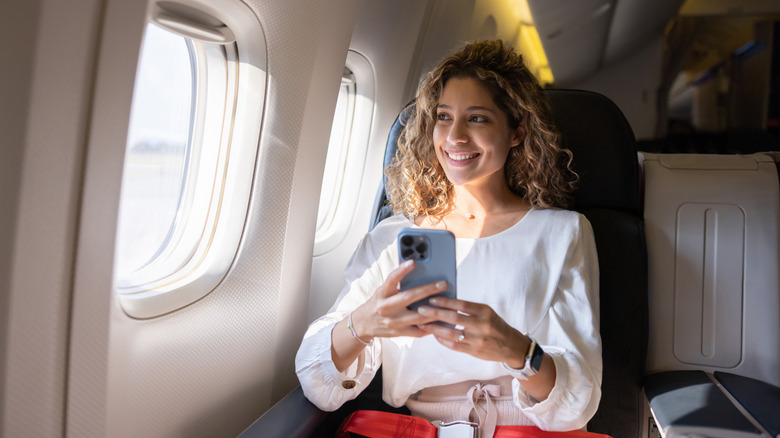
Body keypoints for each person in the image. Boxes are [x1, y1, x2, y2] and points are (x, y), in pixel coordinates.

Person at [296, 39, 602, 437]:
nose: (455, 136)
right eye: (444, 116)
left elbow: (578, 402)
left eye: (477, 119)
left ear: (516, 132)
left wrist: (516, 350)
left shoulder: (562, 233)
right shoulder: (395, 237)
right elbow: (317, 382)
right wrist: (363, 323)